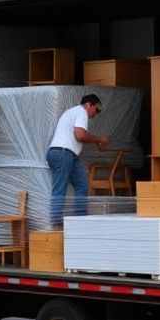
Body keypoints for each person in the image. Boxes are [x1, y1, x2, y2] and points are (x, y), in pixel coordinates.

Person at [46, 94, 109, 227]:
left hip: (66, 154)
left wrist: (96, 141)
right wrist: (99, 140)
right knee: (60, 189)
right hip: (63, 153)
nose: (96, 114)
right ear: (88, 105)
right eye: (96, 109)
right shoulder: (82, 112)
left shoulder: (73, 112)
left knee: (82, 185)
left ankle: (79, 221)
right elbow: (80, 135)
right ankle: (56, 224)